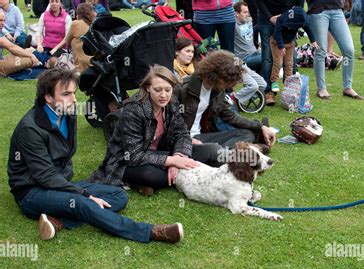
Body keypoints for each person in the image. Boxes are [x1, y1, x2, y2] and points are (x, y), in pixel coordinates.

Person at [8, 68, 184, 243]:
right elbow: (45, 176)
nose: (74, 99)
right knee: (82, 202)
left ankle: (58, 221)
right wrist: (84, 195)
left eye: (74, 93)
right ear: (48, 97)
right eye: (66, 94)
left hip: (58, 184)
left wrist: (78, 192)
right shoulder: (30, 129)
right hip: (31, 192)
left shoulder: (68, 113)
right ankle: (152, 232)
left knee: (118, 195)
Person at [90, 65, 223, 196]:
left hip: (162, 152)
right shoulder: (133, 111)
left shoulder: (172, 103)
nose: (163, 95)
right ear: (148, 88)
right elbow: (134, 156)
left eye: (167, 89)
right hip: (128, 161)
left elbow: (182, 133)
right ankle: (148, 180)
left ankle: (175, 175)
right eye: (158, 90)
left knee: (213, 150)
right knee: (150, 175)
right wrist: (172, 161)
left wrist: (179, 157)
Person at [174, 50, 276, 149]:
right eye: (228, 82)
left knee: (246, 134)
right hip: (184, 140)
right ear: (217, 76)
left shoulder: (217, 90)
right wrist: (186, 139)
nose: (230, 86)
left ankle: (220, 152)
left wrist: (261, 126)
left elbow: (230, 116)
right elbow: (170, 122)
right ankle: (222, 153)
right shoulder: (183, 89)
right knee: (213, 149)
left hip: (201, 137)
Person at [307, 0, 363, 100]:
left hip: (337, 10)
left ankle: (347, 87)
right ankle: (321, 88)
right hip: (318, 10)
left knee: (349, 50)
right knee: (321, 51)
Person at [256, 0, 304, 106]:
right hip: (266, 19)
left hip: (288, 20)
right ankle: (269, 91)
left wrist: (288, 17)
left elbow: (300, 4)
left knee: (290, 61)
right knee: (268, 58)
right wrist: (270, 17)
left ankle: (289, 93)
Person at [269, 6, 317, 93]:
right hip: (277, 43)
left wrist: (313, 41)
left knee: (289, 63)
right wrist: (281, 46)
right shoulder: (282, 19)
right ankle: (274, 81)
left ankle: (288, 82)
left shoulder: (302, 20)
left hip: (290, 44)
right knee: (278, 62)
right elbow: (277, 33)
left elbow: (308, 29)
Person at [0, 10, 41, 76]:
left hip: (2, 58)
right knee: (29, 60)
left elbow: (12, 46)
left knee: (29, 50)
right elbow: (11, 47)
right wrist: (31, 56)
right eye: (0, 20)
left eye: (4, 20)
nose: (2, 23)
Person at [63, 2, 94, 72]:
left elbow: (67, 41)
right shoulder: (94, 24)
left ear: (78, 14)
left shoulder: (76, 23)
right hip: (95, 61)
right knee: (77, 39)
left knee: (74, 40)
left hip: (82, 65)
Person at [233, 1, 261, 73]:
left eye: (248, 12)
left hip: (255, 53)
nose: (247, 15)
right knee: (266, 58)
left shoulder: (249, 20)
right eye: (244, 12)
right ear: (237, 14)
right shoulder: (233, 24)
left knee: (271, 54)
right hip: (243, 59)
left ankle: (262, 81)